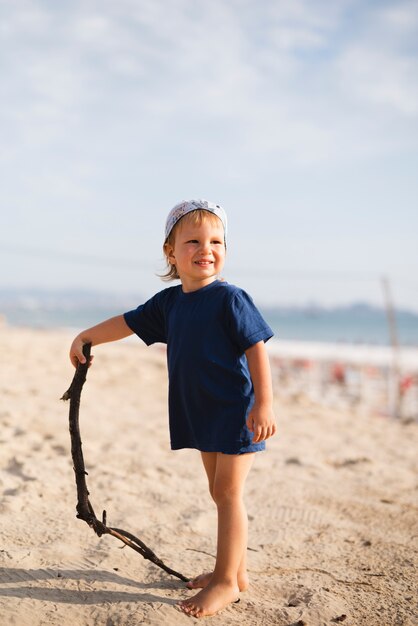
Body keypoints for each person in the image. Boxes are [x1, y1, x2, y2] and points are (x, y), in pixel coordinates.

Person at [69, 199, 277, 618]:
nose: (207, 248)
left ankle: (224, 583)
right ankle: (237, 573)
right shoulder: (170, 304)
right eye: (194, 241)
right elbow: (126, 323)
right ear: (171, 252)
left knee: (229, 492)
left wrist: (264, 404)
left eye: (216, 241)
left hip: (235, 409)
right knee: (218, 493)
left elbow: (257, 348)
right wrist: (86, 336)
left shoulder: (230, 299)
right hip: (199, 412)